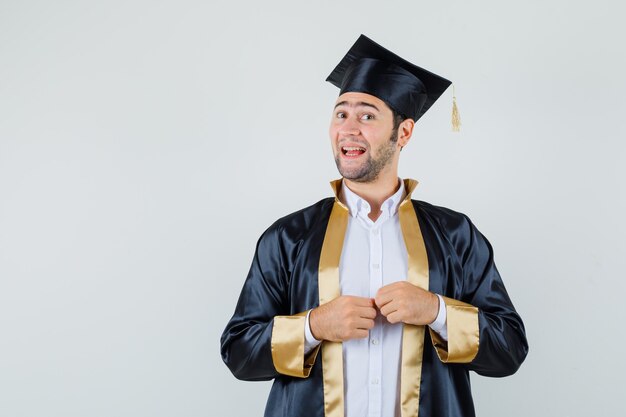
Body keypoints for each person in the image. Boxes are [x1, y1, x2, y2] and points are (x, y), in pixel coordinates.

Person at [220, 34, 528, 417]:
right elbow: (238, 352)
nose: (349, 128)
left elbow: (510, 349)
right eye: (341, 113)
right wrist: (315, 326)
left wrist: (437, 312)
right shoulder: (289, 237)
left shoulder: (454, 235)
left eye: (367, 115)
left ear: (404, 133)